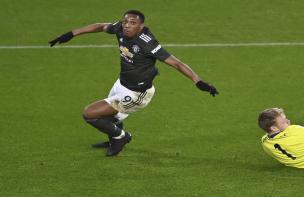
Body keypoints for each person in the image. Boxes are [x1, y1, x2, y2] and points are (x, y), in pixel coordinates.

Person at [49, 10, 218, 156]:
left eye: (132, 23)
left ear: (141, 26)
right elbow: (100, 26)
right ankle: (115, 140)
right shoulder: (120, 29)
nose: (127, 25)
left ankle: (121, 137)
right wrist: (71, 34)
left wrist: (198, 81)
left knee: (90, 114)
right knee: (109, 116)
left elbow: (176, 63)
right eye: (125, 21)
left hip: (137, 93)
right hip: (121, 83)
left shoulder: (147, 43)